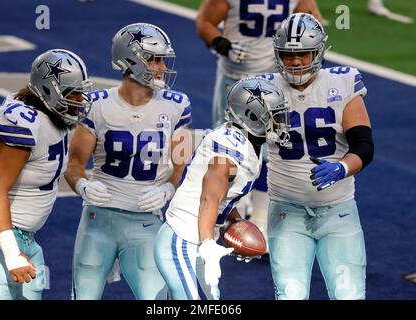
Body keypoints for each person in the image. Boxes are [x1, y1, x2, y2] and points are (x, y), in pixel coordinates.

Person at [64, 22, 192, 300]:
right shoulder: (96, 104)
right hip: (99, 216)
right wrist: (83, 186)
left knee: (157, 301)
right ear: (130, 60)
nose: (161, 67)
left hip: (146, 220)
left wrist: (168, 189)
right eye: (154, 59)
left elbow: (182, 164)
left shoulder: (176, 105)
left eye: (162, 59)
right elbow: (74, 165)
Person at [261, 13, 374, 300]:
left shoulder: (343, 82)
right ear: (278, 55)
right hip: (287, 212)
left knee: (349, 295)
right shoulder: (263, 90)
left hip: (338, 209)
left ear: (318, 52)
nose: (296, 62)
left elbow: (363, 144)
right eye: (289, 55)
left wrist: (341, 167)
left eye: (303, 53)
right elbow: (241, 154)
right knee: (290, 294)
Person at [0, 49, 93, 300]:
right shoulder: (23, 122)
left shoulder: (47, 113)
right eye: (73, 93)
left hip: (24, 237)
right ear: (49, 91)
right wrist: (11, 253)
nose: (80, 99)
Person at [196, 0, 324, 239]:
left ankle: (262, 217)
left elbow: (312, 24)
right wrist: (221, 44)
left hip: (275, 80)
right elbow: (205, 23)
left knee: (271, 145)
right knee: (229, 143)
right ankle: (232, 204)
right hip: (235, 77)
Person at [154, 77, 291, 300]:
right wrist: (208, 244)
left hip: (197, 237)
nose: (280, 122)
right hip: (182, 238)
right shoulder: (230, 150)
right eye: (273, 116)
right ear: (253, 117)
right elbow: (209, 197)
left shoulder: (246, 144)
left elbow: (222, 197)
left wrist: (234, 222)